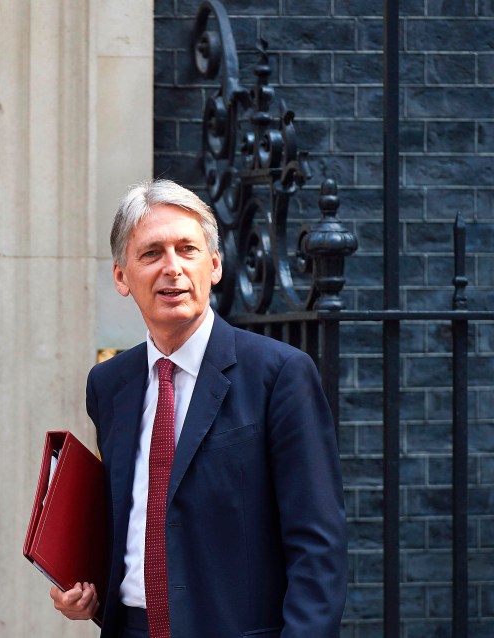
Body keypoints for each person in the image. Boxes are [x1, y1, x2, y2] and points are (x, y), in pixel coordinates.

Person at [50, 179, 347, 637]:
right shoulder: (108, 385)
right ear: (121, 277)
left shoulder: (280, 374)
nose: (172, 268)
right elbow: (130, 519)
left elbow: (318, 548)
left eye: (186, 249)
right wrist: (84, 586)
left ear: (214, 265)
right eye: (151, 254)